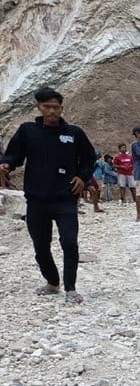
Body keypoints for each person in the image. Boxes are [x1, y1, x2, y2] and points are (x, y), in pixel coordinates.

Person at [0, 87, 95, 303]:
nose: (52, 111)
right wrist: (6, 164)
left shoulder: (74, 133)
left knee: (69, 242)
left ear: (62, 108)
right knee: (40, 246)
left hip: (66, 198)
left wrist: (83, 177)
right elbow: (14, 155)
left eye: (56, 107)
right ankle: (52, 282)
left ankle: (71, 288)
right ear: (39, 108)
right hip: (36, 199)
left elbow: (89, 159)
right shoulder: (27, 131)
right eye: (47, 107)